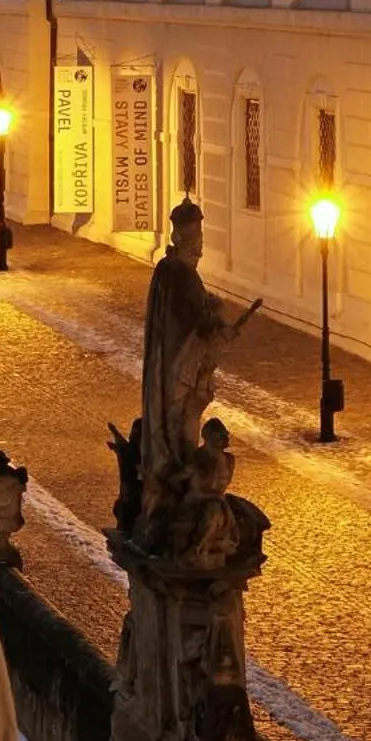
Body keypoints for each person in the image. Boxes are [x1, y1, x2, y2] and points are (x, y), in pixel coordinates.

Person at [140, 199, 260, 522]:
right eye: (195, 240)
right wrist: (219, 328)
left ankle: (174, 475)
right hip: (178, 372)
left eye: (200, 239)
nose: (200, 248)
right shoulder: (180, 274)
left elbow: (192, 318)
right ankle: (175, 480)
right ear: (181, 238)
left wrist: (214, 322)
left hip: (176, 367)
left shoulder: (169, 271)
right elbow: (194, 323)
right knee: (179, 424)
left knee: (178, 423)